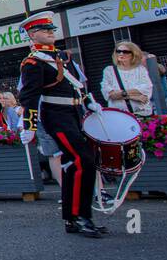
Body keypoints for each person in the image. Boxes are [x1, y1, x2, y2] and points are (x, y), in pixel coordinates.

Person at [17, 12, 106, 238]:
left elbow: (76, 85)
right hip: (56, 115)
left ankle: (72, 217)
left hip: (74, 113)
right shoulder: (33, 62)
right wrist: (29, 125)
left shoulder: (62, 57)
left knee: (74, 164)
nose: (50, 32)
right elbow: (29, 96)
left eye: (51, 29)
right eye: (45, 30)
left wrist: (88, 101)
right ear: (32, 34)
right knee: (82, 160)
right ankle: (80, 216)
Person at [102, 41, 154, 117]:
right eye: (118, 51)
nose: (121, 54)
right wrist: (133, 96)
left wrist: (121, 93)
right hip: (120, 116)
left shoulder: (140, 70)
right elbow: (110, 95)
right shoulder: (109, 71)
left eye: (125, 52)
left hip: (142, 113)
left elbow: (146, 89)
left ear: (133, 54)